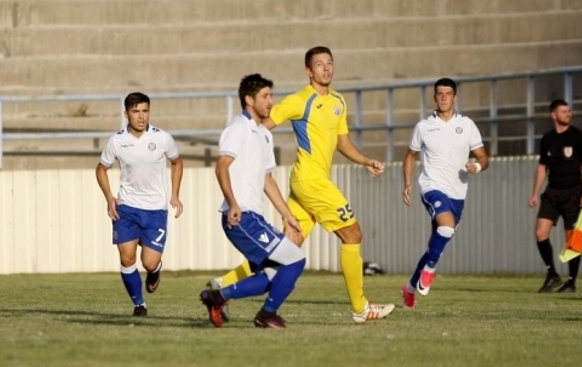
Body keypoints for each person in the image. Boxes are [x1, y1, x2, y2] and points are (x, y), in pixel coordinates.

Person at [209, 46, 395, 324]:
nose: (326, 68)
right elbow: (263, 124)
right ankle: (360, 307)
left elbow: (342, 142)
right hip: (311, 181)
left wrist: (365, 160)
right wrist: (246, 150)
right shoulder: (300, 100)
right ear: (308, 71)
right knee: (353, 234)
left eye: (330, 63)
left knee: (286, 249)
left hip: (309, 183)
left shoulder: (339, 101)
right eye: (319, 64)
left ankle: (222, 286)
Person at [199, 74, 306, 329]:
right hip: (241, 216)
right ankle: (266, 314)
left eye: (271, 96)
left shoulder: (264, 134)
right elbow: (221, 167)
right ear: (249, 100)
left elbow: (268, 180)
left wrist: (288, 215)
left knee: (273, 275)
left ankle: (218, 297)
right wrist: (233, 203)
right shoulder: (238, 128)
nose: (270, 102)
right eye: (265, 96)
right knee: (295, 259)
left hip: (253, 217)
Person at [400, 78, 489, 309]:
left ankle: (409, 289)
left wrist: (477, 167)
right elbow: (410, 155)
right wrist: (408, 183)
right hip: (432, 187)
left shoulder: (467, 125)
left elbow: (483, 158)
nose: (444, 97)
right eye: (440, 93)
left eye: (448, 93)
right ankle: (429, 270)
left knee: (435, 246)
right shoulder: (424, 126)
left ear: (455, 97)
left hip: (458, 194)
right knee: (446, 227)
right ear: (434, 97)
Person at [95, 92, 184, 316]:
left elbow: (177, 162)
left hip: (155, 210)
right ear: (126, 113)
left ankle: (155, 270)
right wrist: (109, 198)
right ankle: (139, 304)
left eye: (145, 111)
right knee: (127, 257)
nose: (141, 116)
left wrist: (175, 194)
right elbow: (101, 169)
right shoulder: (117, 141)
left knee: (149, 263)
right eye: (136, 111)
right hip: (127, 207)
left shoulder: (162, 138)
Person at [528, 99, 582, 293]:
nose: (568, 114)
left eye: (569, 111)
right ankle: (552, 274)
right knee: (540, 233)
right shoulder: (547, 139)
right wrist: (535, 193)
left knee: (572, 239)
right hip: (552, 193)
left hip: (574, 193)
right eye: (564, 111)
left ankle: (571, 282)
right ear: (554, 115)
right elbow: (542, 167)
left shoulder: (578, 136)